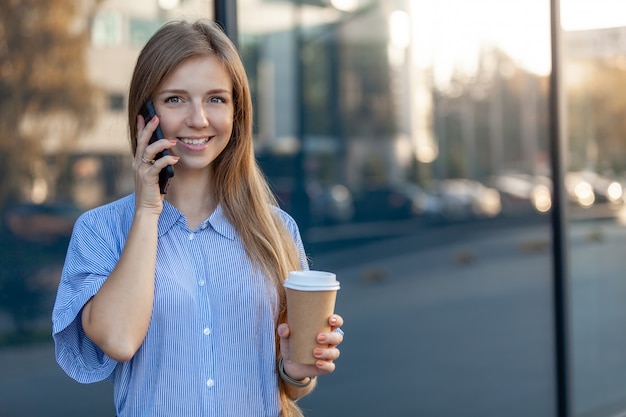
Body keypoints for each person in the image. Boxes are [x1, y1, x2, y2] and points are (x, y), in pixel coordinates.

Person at [51, 19, 344, 417]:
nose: (199, 119)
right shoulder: (101, 230)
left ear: (237, 112)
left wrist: (296, 371)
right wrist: (148, 211)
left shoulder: (276, 230)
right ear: (144, 115)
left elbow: (290, 387)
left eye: (216, 99)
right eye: (175, 99)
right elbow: (118, 339)